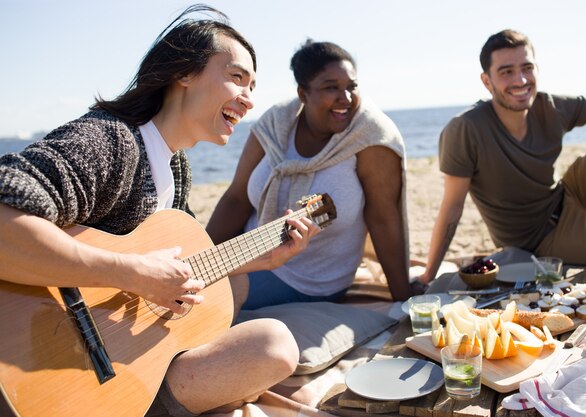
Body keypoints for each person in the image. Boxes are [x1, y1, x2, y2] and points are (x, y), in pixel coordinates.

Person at [0, 5, 320, 416]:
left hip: (115, 357)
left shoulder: (176, 167)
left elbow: (179, 268)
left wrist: (263, 258)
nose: (249, 99)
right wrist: (131, 272)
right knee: (273, 344)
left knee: (235, 292)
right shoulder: (107, 142)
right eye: (237, 77)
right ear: (183, 73)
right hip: (38, 360)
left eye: (253, 86)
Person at [207, 39, 420, 310]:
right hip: (250, 253)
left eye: (351, 87)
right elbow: (236, 199)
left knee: (207, 304)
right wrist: (200, 260)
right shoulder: (276, 123)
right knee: (182, 288)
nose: (346, 98)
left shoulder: (369, 135)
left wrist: (403, 298)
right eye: (331, 88)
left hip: (309, 279)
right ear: (303, 93)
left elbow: (383, 218)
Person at [419, 29, 586, 285]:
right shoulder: (465, 129)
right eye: (506, 72)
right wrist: (429, 274)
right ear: (487, 81)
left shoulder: (548, 105)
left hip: (572, 195)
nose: (520, 80)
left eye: (527, 68)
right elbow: (452, 206)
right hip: (542, 238)